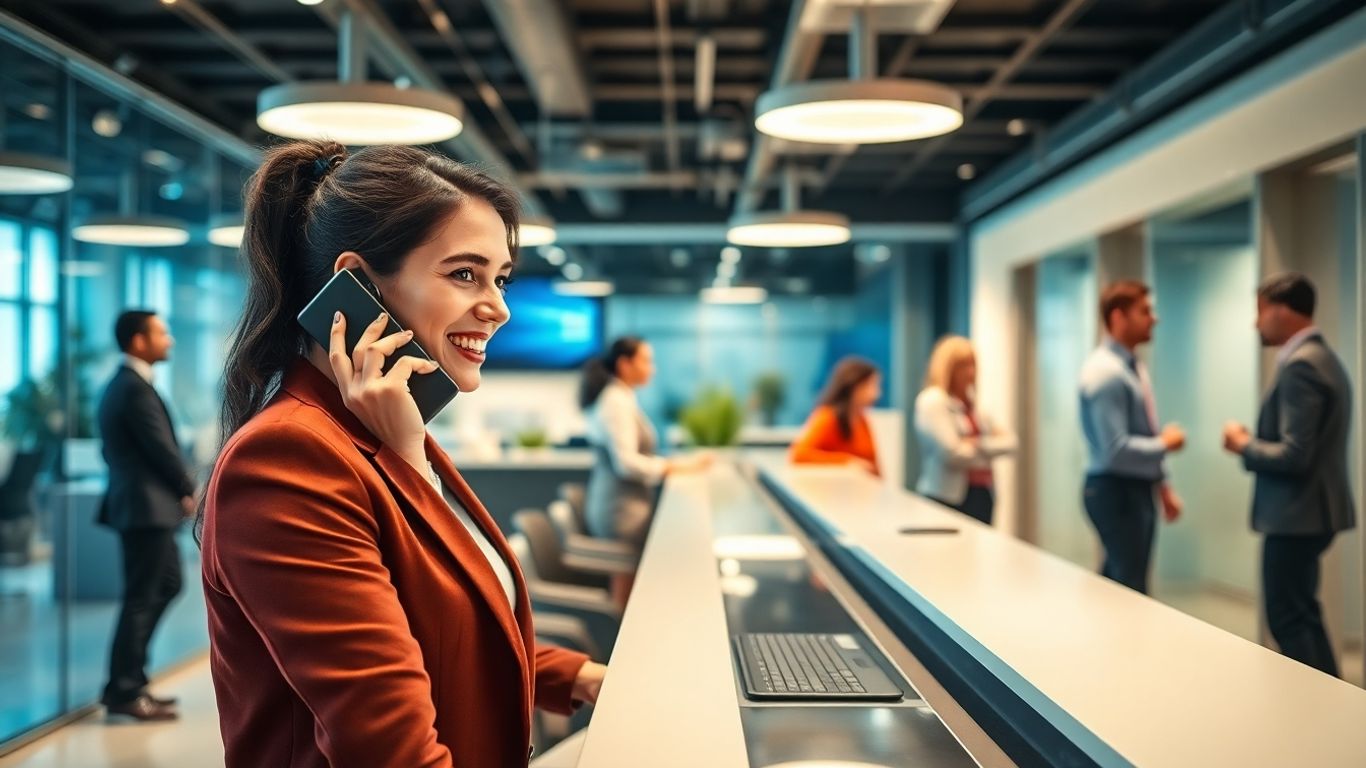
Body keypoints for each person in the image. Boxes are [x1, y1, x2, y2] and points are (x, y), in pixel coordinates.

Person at [199, 140, 606, 767]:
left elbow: (430, 621)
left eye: (500, 278)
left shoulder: (385, 429)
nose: (498, 308)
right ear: (356, 286)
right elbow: (387, 745)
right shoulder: (286, 461)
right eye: (464, 274)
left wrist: (575, 675)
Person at [1222, 272, 1355, 676]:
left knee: (1288, 619)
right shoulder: (1322, 357)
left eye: (1260, 312)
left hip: (1296, 516)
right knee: (1303, 613)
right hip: (1309, 513)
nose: (1256, 323)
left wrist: (1243, 444)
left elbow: (1295, 455)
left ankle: (1314, 715)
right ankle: (1333, 706)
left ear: (1281, 310)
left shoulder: (1301, 366)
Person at [96, 309, 194, 722]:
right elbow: (160, 448)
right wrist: (187, 490)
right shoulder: (133, 389)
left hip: (144, 507)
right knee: (142, 598)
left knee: (166, 584)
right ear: (138, 341)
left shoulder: (127, 385)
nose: (169, 340)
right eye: (161, 333)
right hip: (144, 508)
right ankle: (124, 690)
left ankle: (130, 680)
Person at [581, 337, 711, 604]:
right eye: (647, 361)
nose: (653, 369)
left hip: (624, 503)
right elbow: (626, 463)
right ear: (625, 364)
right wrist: (672, 467)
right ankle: (618, 639)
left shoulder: (622, 396)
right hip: (620, 510)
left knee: (630, 581)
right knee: (626, 582)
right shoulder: (615, 401)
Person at [1078, 280, 1186, 594]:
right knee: (1130, 590)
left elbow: (1142, 429)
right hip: (1117, 491)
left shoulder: (1130, 365)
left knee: (1121, 585)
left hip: (1131, 489)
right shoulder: (1107, 373)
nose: (1154, 318)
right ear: (1118, 317)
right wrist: (1166, 444)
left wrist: (1162, 485)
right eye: (1145, 311)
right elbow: (1116, 450)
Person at [914, 335, 1017, 525]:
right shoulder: (933, 401)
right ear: (948, 368)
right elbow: (952, 453)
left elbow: (1011, 442)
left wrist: (976, 443)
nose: (970, 372)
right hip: (947, 497)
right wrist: (985, 449)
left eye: (972, 365)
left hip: (981, 493)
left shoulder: (974, 405)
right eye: (962, 366)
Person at [790, 357, 883, 475]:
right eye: (871, 385)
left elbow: (874, 464)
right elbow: (799, 455)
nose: (877, 393)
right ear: (854, 386)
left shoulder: (862, 420)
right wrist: (847, 462)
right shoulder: (828, 417)